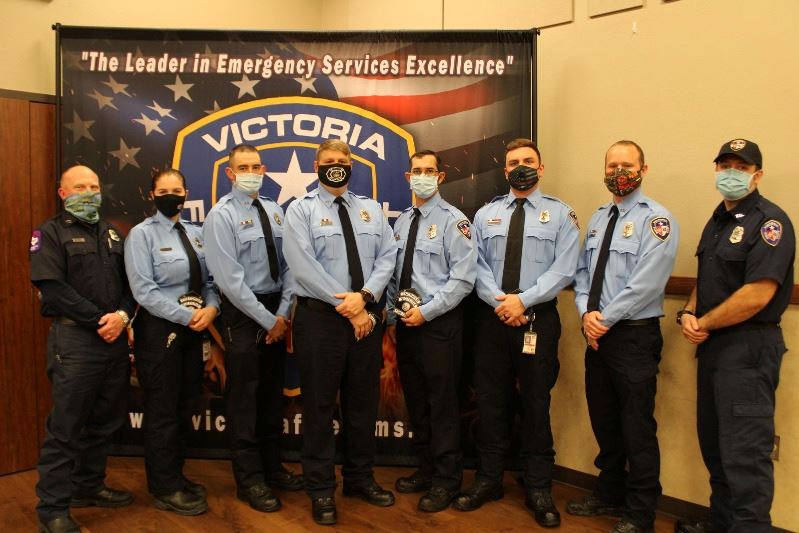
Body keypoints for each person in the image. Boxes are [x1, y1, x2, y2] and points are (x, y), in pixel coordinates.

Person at [453, 138, 580, 528]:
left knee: (536, 403)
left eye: (528, 161)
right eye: (513, 162)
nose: (520, 166)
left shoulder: (562, 215)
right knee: (490, 402)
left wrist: (522, 301)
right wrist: (500, 302)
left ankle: (538, 485)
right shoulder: (485, 214)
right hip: (492, 321)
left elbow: (565, 269)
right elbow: (475, 266)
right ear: (504, 170)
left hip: (537, 320)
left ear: (541, 169)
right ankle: (489, 479)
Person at [675, 139, 794, 533]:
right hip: (713, 349)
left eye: (740, 168)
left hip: (748, 350)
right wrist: (690, 312)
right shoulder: (717, 222)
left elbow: (758, 293)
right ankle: (721, 523)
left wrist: (704, 323)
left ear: (757, 175)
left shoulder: (770, 222)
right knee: (717, 448)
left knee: (745, 456)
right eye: (724, 165)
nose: (731, 173)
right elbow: (709, 280)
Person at [283, 139, 398, 526]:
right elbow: (303, 267)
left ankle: (359, 479)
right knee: (318, 407)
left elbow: (388, 256)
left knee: (362, 405)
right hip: (321, 321)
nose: (337, 166)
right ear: (317, 165)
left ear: (352, 165)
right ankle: (319, 489)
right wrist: (348, 308)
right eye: (329, 161)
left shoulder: (370, 210)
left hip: (366, 317)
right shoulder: (300, 211)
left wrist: (364, 298)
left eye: (343, 160)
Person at [569, 140, 679, 533]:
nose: (619, 171)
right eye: (612, 164)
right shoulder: (599, 218)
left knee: (636, 426)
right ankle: (608, 492)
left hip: (632, 337)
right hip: (596, 334)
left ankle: (640, 510)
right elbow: (582, 274)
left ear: (643, 170)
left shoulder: (657, 221)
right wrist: (586, 314)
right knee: (604, 420)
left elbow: (646, 284)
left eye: (627, 165)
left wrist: (603, 320)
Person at [30, 165, 136, 533]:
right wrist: (100, 321)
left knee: (105, 421)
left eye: (93, 186)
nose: (88, 192)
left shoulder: (112, 234)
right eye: (79, 187)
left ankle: (88, 487)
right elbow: (53, 288)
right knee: (67, 425)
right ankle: (53, 508)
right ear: (62, 193)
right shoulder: (49, 232)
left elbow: (130, 284)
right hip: (75, 340)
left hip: (113, 338)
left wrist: (122, 316)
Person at [203, 144, 302, 514]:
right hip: (245, 316)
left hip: (278, 309)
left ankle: (272, 467)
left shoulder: (276, 211)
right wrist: (269, 321)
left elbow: (291, 264)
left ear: (263, 169)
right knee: (244, 400)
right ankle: (249, 480)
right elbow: (229, 282)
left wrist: (282, 312)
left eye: (255, 166)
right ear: (230, 173)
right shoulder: (220, 217)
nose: (250, 171)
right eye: (242, 167)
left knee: (272, 398)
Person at [124, 168, 220, 515]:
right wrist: (189, 317)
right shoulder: (141, 235)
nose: (170, 195)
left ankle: (176, 476)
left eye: (176, 189)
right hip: (161, 332)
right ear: (152, 195)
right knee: (162, 412)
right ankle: (163, 487)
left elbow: (210, 281)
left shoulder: (195, 234)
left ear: (185, 192)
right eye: (163, 190)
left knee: (184, 406)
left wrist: (211, 309)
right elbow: (143, 291)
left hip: (194, 333)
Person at [385, 150, 477, 512]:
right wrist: (394, 319)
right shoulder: (402, 222)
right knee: (418, 404)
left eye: (429, 171)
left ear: (440, 177)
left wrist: (427, 312)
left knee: (442, 406)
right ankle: (425, 469)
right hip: (407, 327)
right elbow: (395, 276)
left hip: (439, 327)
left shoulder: (456, 222)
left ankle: (447, 481)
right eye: (416, 171)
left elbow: (463, 280)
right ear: (408, 176)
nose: (422, 176)